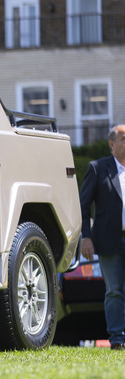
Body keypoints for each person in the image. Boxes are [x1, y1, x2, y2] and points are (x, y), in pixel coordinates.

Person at [80, 124, 125, 350]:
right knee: (115, 289)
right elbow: (83, 206)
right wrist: (85, 237)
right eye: (124, 139)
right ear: (112, 144)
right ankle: (117, 339)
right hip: (109, 241)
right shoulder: (98, 168)